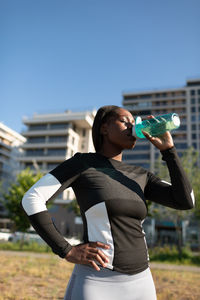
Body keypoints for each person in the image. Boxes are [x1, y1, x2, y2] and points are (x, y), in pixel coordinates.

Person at [21, 105, 195, 300]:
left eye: (134, 123)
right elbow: (32, 198)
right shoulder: (83, 164)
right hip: (97, 281)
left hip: (142, 282)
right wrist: (66, 250)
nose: (132, 127)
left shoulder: (140, 175)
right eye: (124, 121)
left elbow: (186, 201)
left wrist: (169, 151)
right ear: (104, 128)